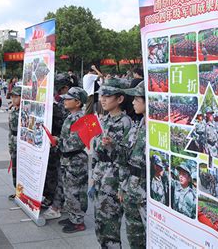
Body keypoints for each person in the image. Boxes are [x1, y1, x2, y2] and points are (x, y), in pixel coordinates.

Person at [88, 78, 132, 248]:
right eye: (101, 96)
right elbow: (97, 153)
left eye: (107, 96)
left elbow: (127, 156)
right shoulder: (104, 120)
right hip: (100, 177)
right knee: (100, 224)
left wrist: (122, 186)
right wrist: (93, 176)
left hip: (113, 179)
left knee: (111, 227)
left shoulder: (125, 122)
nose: (102, 99)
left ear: (120, 99)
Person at [47, 87, 89, 233]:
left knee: (75, 191)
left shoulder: (80, 119)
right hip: (68, 159)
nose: (65, 101)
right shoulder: (71, 116)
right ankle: (73, 216)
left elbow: (75, 143)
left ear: (77, 102)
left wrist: (57, 141)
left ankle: (78, 221)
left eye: (69, 99)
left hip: (75, 160)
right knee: (68, 190)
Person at [120, 81, 147, 248]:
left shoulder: (157, 131)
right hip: (131, 189)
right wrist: (123, 186)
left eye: (137, 99)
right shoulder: (137, 126)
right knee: (134, 236)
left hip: (146, 193)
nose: (132, 102)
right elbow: (125, 159)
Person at [42, 74, 73, 209]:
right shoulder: (53, 101)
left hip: (61, 144)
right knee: (51, 172)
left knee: (58, 174)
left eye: (58, 89)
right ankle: (50, 196)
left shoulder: (65, 103)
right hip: (51, 142)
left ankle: (57, 201)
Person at [7, 86, 21, 200]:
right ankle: (18, 191)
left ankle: (23, 192)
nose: (13, 99)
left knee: (22, 167)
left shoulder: (26, 110)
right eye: (12, 96)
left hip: (21, 141)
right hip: (12, 140)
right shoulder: (12, 109)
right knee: (15, 167)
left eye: (16, 96)